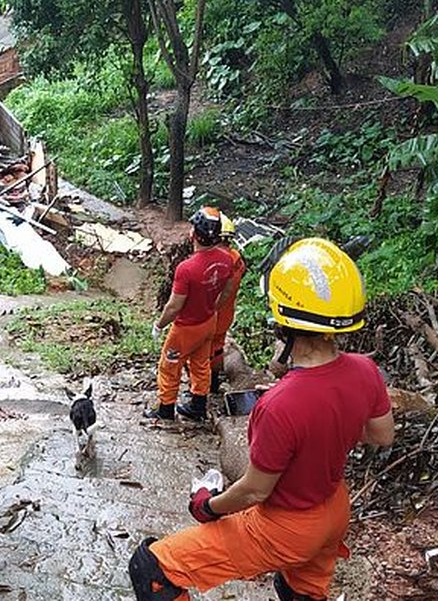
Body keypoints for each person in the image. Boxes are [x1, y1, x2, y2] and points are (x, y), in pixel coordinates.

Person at [129, 238, 396, 601]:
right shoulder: (365, 369)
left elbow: (256, 490)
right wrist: (328, 427)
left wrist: (207, 505)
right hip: (334, 510)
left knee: (151, 569)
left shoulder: (280, 403)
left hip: (286, 526)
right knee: (299, 589)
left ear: (282, 324)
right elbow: (381, 434)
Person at [146, 207, 235, 422]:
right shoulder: (227, 259)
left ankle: (166, 408)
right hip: (208, 322)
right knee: (201, 363)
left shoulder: (186, 268)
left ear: (193, 234)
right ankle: (198, 406)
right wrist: (213, 307)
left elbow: (174, 306)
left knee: (169, 366)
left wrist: (159, 325)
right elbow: (229, 289)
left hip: (185, 328)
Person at [208, 214, 247, 395]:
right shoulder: (236, 258)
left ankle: (200, 389)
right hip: (226, 313)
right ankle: (213, 384)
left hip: (211, 312)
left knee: (202, 351)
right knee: (217, 347)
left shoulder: (216, 260)